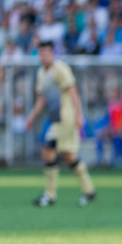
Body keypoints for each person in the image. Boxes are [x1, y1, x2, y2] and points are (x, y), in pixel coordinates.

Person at [25, 41, 96, 207]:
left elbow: (73, 92)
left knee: (48, 149)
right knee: (68, 155)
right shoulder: (42, 73)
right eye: (40, 54)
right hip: (56, 119)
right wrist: (31, 117)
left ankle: (50, 195)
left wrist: (79, 115)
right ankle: (89, 190)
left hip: (66, 118)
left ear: (52, 54)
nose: (43, 57)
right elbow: (42, 99)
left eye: (45, 53)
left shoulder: (61, 69)